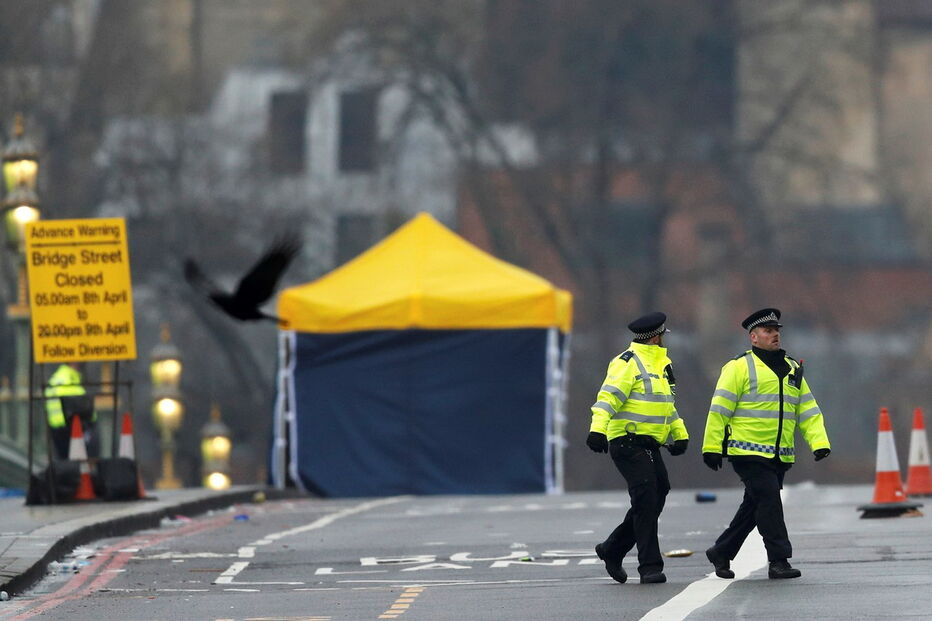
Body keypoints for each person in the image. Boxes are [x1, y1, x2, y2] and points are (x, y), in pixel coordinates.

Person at [701, 308, 831, 580]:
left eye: (777, 331)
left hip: (779, 454)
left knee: (755, 505)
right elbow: (719, 410)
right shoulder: (738, 367)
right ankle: (779, 559)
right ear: (753, 337)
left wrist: (819, 442)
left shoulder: (792, 369)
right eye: (768, 331)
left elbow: (807, 410)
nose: (775, 335)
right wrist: (712, 447)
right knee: (769, 501)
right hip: (746, 451)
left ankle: (721, 551)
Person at [586, 311, 688, 584]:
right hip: (627, 442)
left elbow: (668, 406)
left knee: (658, 494)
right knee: (645, 500)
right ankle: (650, 566)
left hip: (650, 444)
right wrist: (597, 430)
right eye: (662, 336)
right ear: (656, 337)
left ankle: (612, 549)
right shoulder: (627, 363)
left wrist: (679, 434)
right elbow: (608, 398)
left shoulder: (662, 365)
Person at [45, 362, 97, 460]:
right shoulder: (68, 379)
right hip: (69, 429)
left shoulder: (62, 377)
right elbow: (81, 406)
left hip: (60, 429)